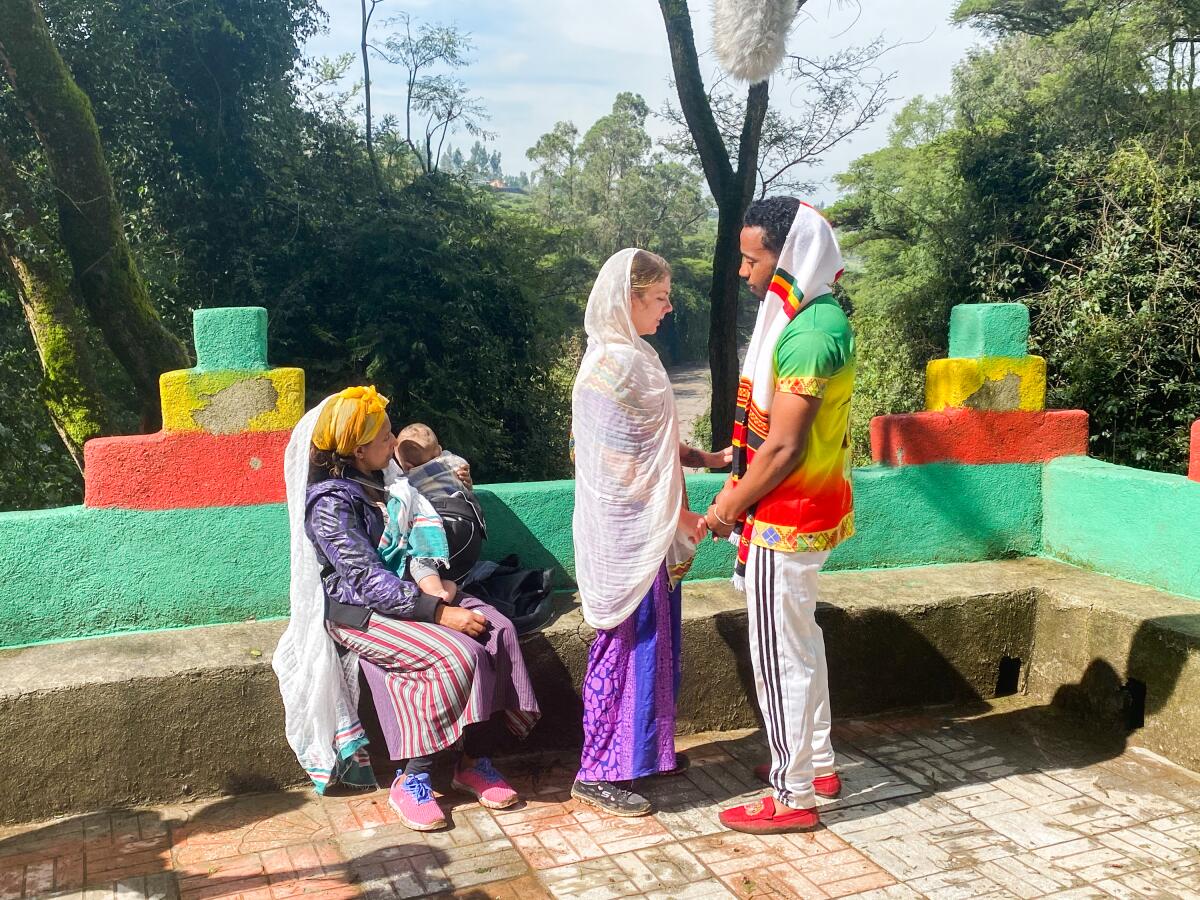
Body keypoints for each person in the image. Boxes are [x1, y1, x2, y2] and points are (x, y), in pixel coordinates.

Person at [272, 386, 540, 833]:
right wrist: (437, 612)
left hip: (410, 593)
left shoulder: (385, 481)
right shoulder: (332, 504)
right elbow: (367, 581)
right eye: (383, 437)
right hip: (360, 612)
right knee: (458, 654)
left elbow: (418, 537)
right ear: (359, 450)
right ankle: (412, 778)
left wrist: (436, 587)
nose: (392, 441)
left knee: (499, 633)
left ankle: (468, 762)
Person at [704, 198, 855, 835]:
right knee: (801, 640)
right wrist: (717, 459)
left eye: (752, 257)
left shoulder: (809, 334)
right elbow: (783, 436)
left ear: (787, 256)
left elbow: (787, 446)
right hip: (808, 509)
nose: (745, 272)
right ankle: (817, 761)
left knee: (778, 657)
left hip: (783, 518)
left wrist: (724, 509)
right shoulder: (813, 319)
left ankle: (791, 795)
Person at [570, 248, 726, 816]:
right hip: (629, 532)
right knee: (626, 641)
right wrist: (670, 514)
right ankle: (597, 770)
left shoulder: (636, 357)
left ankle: (643, 755)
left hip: (649, 529)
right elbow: (617, 463)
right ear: (628, 299)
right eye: (659, 298)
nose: (666, 309)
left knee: (657, 642)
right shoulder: (612, 365)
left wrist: (706, 460)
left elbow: (654, 440)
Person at [393, 422, 486, 583]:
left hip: (441, 526)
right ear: (439, 450)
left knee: (420, 559)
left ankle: (437, 589)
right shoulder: (454, 462)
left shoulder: (408, 479)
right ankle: (453, 584)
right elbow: (462, 468)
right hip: (471, 524)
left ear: (407, 466)